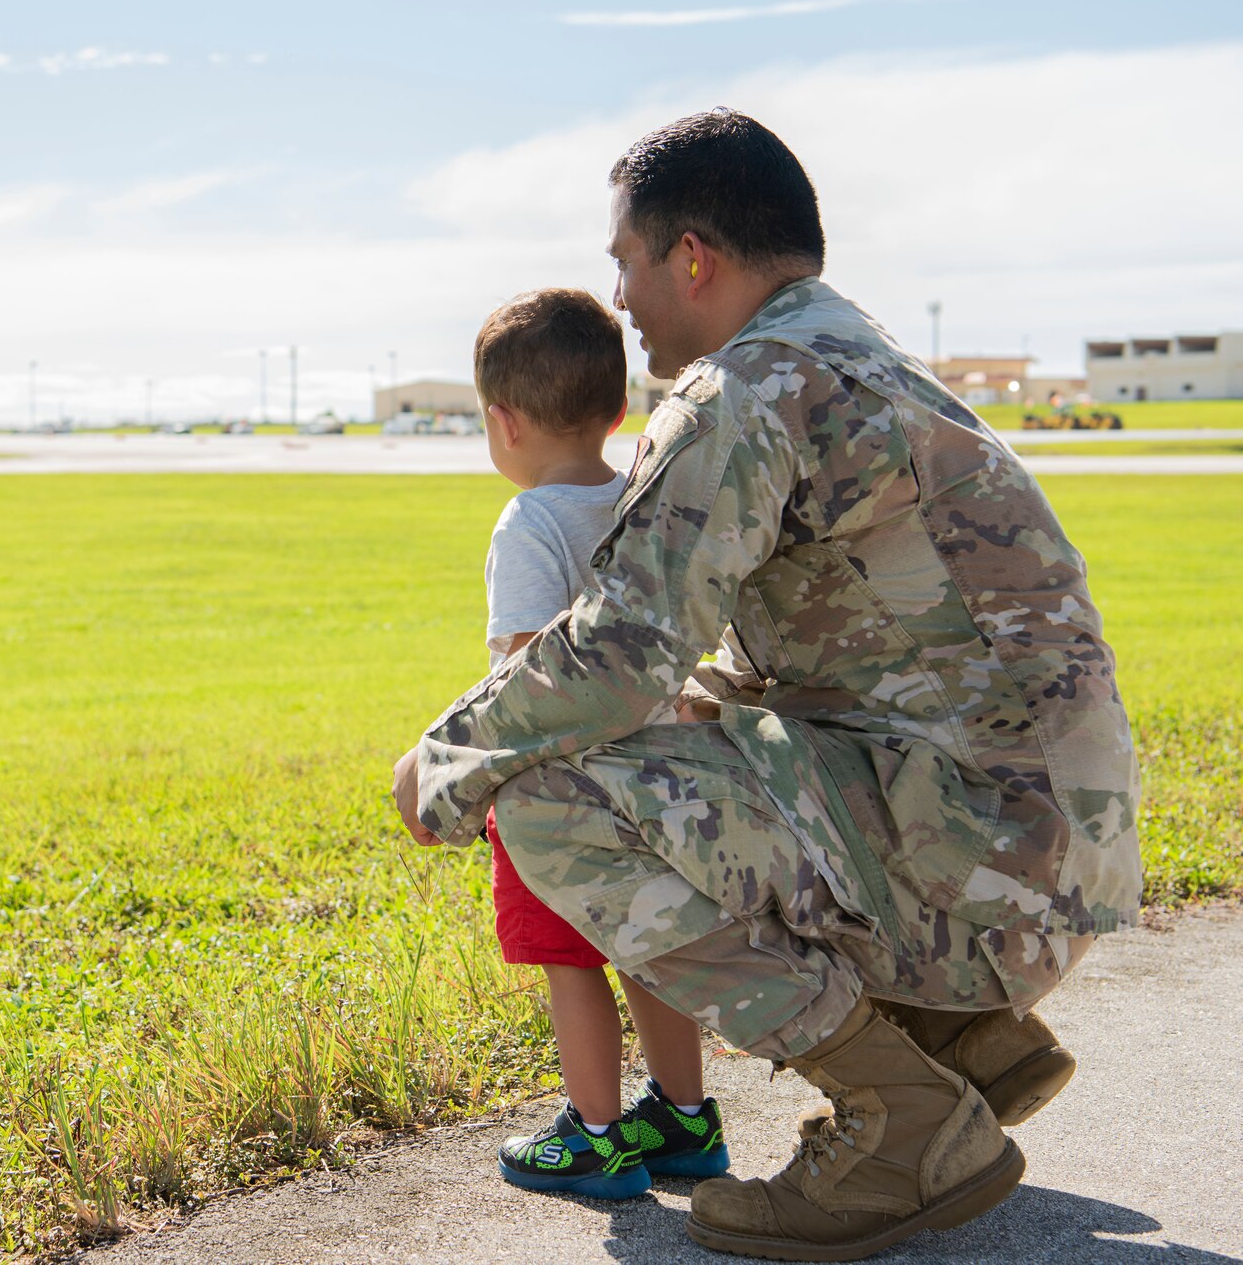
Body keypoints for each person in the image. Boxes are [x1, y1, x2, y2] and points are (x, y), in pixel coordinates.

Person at [392, 110, 1139, 1261]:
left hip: (987, 869)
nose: (624, 300)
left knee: (548, 795)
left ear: (688, 254)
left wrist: (445, 759)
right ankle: (957, 1040)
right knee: (696, 713)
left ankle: (903, 1116)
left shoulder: (740, 389)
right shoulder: (853, 349)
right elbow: (766, 660)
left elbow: (615, 649)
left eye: (625, 264)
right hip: (1038, 843)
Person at [467, 288, 732, 1199]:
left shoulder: (530, 523)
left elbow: (527, 675)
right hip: (662, 776)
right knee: (649, 943)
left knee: (569, 959)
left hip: (565, 794)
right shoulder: (637, 500)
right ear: (618, 410)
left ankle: (595, 1133)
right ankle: (684, 1117)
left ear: (502, 423)